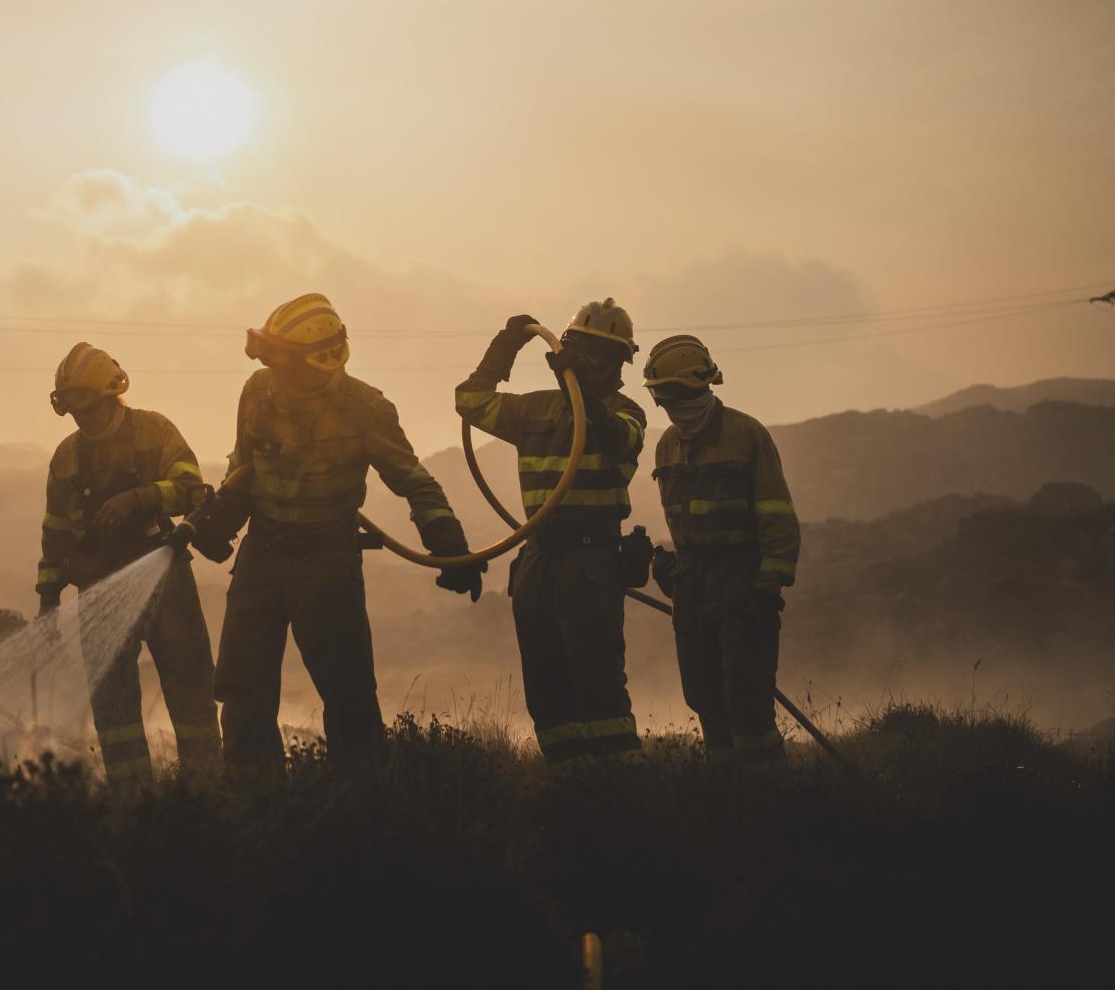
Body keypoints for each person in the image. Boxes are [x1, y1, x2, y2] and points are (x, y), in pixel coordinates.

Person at [195, 293, 471, 779]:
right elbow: (244, 464)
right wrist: (222, 517)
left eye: (283, 363)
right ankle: (252, 799)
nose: (274, 374)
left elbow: (415, 481)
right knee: (241, 687)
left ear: (318, 362)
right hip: (261, 555)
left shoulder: (365, 410)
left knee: (348, 693)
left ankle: (359, 798)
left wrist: (448, 543)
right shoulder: (257, 391)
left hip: (327, 562)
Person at [455, 300, 648, 764]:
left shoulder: (627, 412)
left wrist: (581, 392)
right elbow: (470, 401)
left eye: (599, 354)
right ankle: (568, 780)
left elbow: (617, 441)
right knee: (545, 682)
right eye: (581, 349)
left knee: (598, 678)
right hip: (538, 560)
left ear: (618, 362)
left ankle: (624, 784)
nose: (589, 361)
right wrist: (505, 348)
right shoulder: (534, 409)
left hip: (591, 562)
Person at [37, 342, 221, 785]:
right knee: (112, 705)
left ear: (110, 395)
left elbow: (190, 487)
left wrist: (140, 498)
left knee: (191, 688)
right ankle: (131, 799)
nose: (81, 417)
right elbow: (55, 532)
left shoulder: (153, 431)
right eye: (73, 408)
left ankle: (207, 790)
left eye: (88, 405)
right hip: (98, 587)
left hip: (162, 572)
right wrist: (48, 601)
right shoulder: (66, 457)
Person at [644, 334, 800, 765]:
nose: (665, 404)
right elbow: (682, 520)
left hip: (742, 582)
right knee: (703, 694)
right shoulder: (667, 445)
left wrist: (769, 584)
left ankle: (768, 786)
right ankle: (724, 784)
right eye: (659, 395)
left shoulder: (747, 435)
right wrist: (671, 566)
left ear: (696, 385)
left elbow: (777, 516)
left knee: (747, 698)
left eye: (669, 393)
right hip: (692, 584)